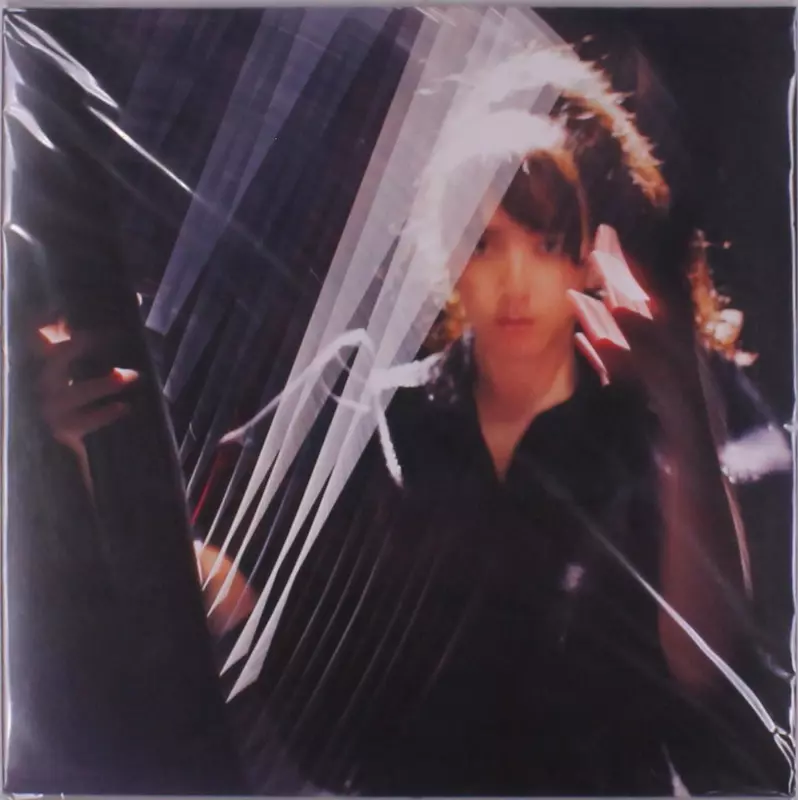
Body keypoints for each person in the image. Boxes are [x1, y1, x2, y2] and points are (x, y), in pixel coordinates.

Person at [35, 48, 781, 795]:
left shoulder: (641, 430)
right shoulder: (365, 416)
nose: (514, 279)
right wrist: (108, 447)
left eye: (545, 241)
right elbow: (236, 589)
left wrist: (684, 412)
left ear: (586, 255)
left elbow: (709, 672)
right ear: (446, 254)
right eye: (483, 242)